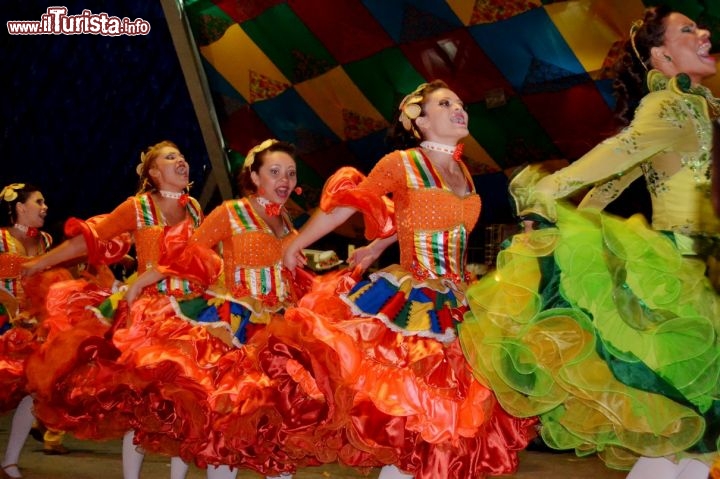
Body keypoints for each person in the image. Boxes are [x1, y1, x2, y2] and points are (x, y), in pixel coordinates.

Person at [458, 6, 720, 479]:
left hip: (703, 269)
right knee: (681, 426)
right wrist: (548, 199)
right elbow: (617, 154)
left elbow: (618, 178)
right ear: (662, 56)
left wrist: (582, 216)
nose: (704, 34)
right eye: (688, 30)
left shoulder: (698, 103)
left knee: (692, 435)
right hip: (678, 276)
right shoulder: (668, 105)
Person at [282, 80, 537, 479]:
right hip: (415, 301)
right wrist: (295, 244)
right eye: (445, 103)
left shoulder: (463, 171)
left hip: (460, 300)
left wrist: (379, 245)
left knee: (445, 434)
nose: (459, 108)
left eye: (459, 101)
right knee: (415, 419)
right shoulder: (402, 162)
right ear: (419, 119)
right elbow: (349, 205)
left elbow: (421, 216)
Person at [21, 141, 215, 479]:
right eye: (171, 158)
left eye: (182, 156)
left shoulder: (195, 207)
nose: (181, 160)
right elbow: (90, 240)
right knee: (142, 408)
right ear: (154, 173)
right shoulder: (138, 206)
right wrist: (41, 262)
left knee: (187, 403)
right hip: (150, 315)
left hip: (192, 314)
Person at [0, 182, 70, 479]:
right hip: (3, 322)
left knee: (33, 392)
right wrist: (10, 308)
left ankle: (10, 461)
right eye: (38, 202)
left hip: (29, 329)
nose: (45, 207)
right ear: (20, 207)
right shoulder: (1, 239)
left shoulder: (44, 239)